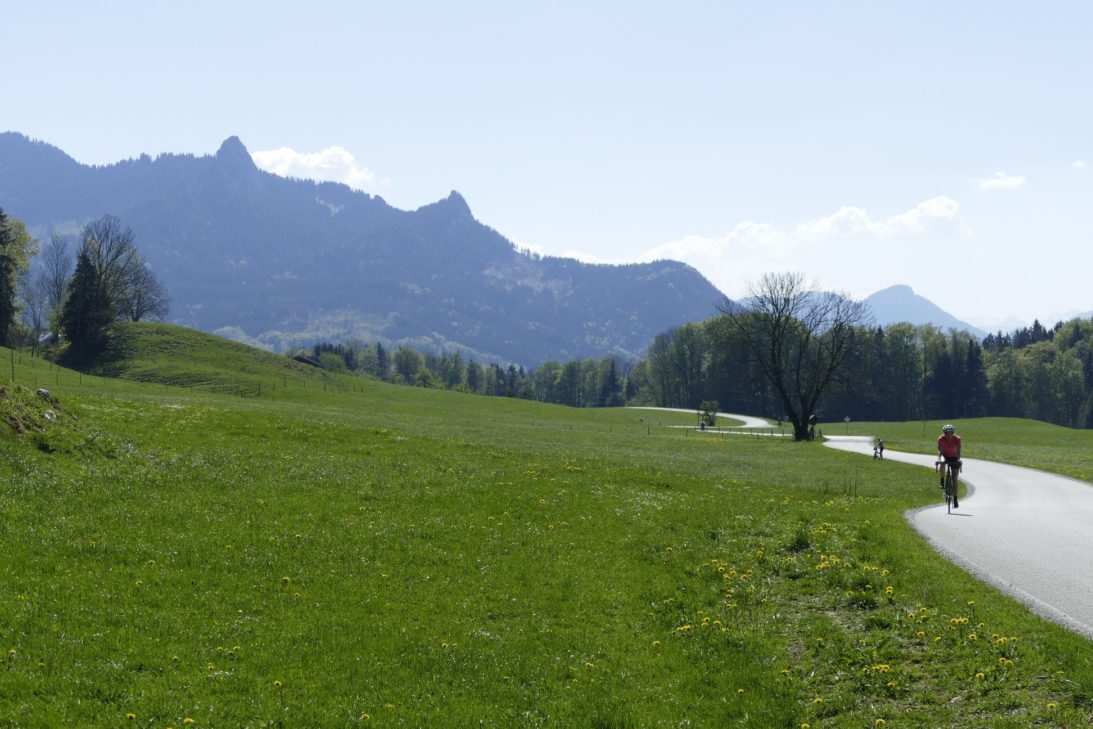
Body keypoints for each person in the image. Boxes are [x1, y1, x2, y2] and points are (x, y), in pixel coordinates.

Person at [937, 424, 961, 508]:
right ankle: (942, 480)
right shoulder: (941, 439)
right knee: (942, 463)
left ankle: (955, 499)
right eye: (946, 433)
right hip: (944, 455)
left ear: (953, 433)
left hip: (954, 457)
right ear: (944, 433)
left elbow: (958, 451)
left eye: (951, 433)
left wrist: (957, 460)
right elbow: (940, 451)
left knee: (955, 478)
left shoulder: (957, 439)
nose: (949, 435)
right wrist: (940, 460)